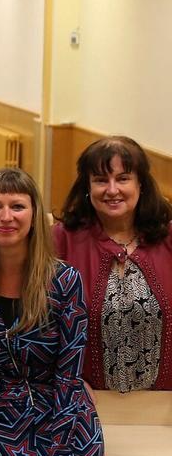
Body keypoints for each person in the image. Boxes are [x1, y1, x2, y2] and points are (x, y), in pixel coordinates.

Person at [0, 168, 103, 456]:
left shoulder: (65, 280)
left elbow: (69, 373)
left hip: (64, 413)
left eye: (17, 206)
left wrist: (60, 455)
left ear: (35, 214)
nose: (6, 216)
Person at [54, 136, 172, 391]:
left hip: (164, 406)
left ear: (141, 184)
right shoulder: (62, 240)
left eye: (122, 178)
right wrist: (66, 381)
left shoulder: (168, 239)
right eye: (100, 180)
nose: (112, 189)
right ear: (87, 187)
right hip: (86, 402)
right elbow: (42, 326)